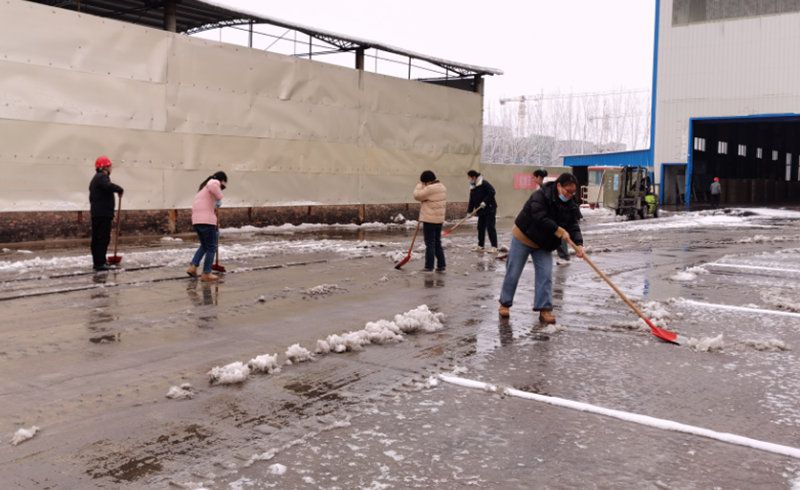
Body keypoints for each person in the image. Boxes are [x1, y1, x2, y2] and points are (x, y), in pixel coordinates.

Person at [498, 172, 585, 324]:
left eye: (573, 192)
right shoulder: (541, 195)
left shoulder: (571, 203)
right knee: (513, 271)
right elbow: (539, 217)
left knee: (545, 274)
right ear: (558, 186)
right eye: (567, 191)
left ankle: (544, 310)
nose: (570, 195)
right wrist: (558, 230)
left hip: (544, 244)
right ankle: (505, 304)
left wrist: (579, 244)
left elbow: (573, 225)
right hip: (524, 237)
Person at [187, 171, 228, 281]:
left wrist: (215, 203)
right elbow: (214, 186)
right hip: (207, 221)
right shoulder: (213, 182)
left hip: (197, 221)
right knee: (211, 247)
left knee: (205, 245)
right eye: (224, 184)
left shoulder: (202, 189)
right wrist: (219, 198)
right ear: (222, 180)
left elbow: (207, 204)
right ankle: (206, 273)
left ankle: (193, 267)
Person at [89, 155, 124, 272]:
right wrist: (119, 189)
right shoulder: (101, 177)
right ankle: (100, 263)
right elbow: (108, 186)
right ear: (104, 167)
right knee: (102, 238)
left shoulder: (96, 178)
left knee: (98, 239)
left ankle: (99, 261)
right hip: (102, 214)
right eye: (109, 166)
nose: (111, 168)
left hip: (98, 213)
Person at [413, 170, 447, 272]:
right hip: (439, 220)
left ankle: (429, 266)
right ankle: (441, 265)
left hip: (429, 220)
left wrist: (419, 185)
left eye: (424, 182)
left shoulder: (430, 189)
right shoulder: (442, 187)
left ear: (427, 182)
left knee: (430, 244)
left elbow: (417, 196)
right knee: (437, 242)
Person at [466, 170, 498, 253]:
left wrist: (485, 201)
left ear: (474, 177)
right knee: (480, 227)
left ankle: (494, 247)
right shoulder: (473, 186)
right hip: (481, 210)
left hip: (489, 208)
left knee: (490, 227)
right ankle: (481, 246)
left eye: (469, 177)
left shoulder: (484, 183)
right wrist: (469, 211)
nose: (469, 179)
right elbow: (472, 200)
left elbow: (492, 192)